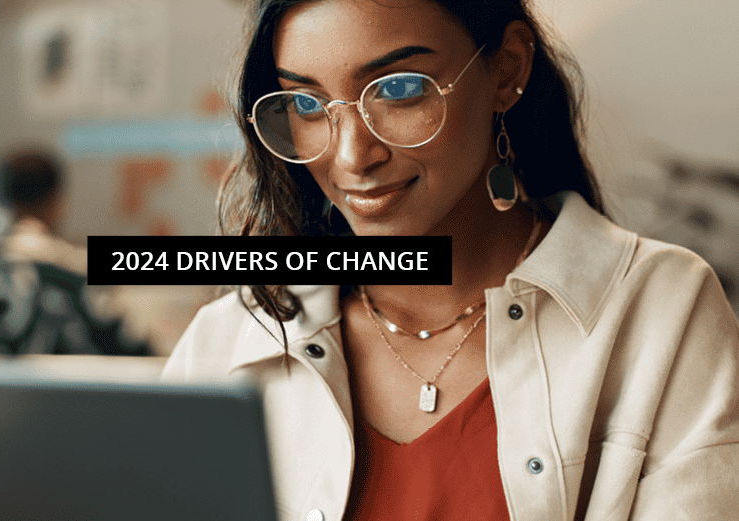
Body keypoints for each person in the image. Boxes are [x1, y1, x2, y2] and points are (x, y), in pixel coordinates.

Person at [163, 1, 739, 520]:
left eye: (397, 90)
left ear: (508, 69)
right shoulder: (232, 338)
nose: (351, 155)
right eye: (308, 105)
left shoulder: (664, 309)